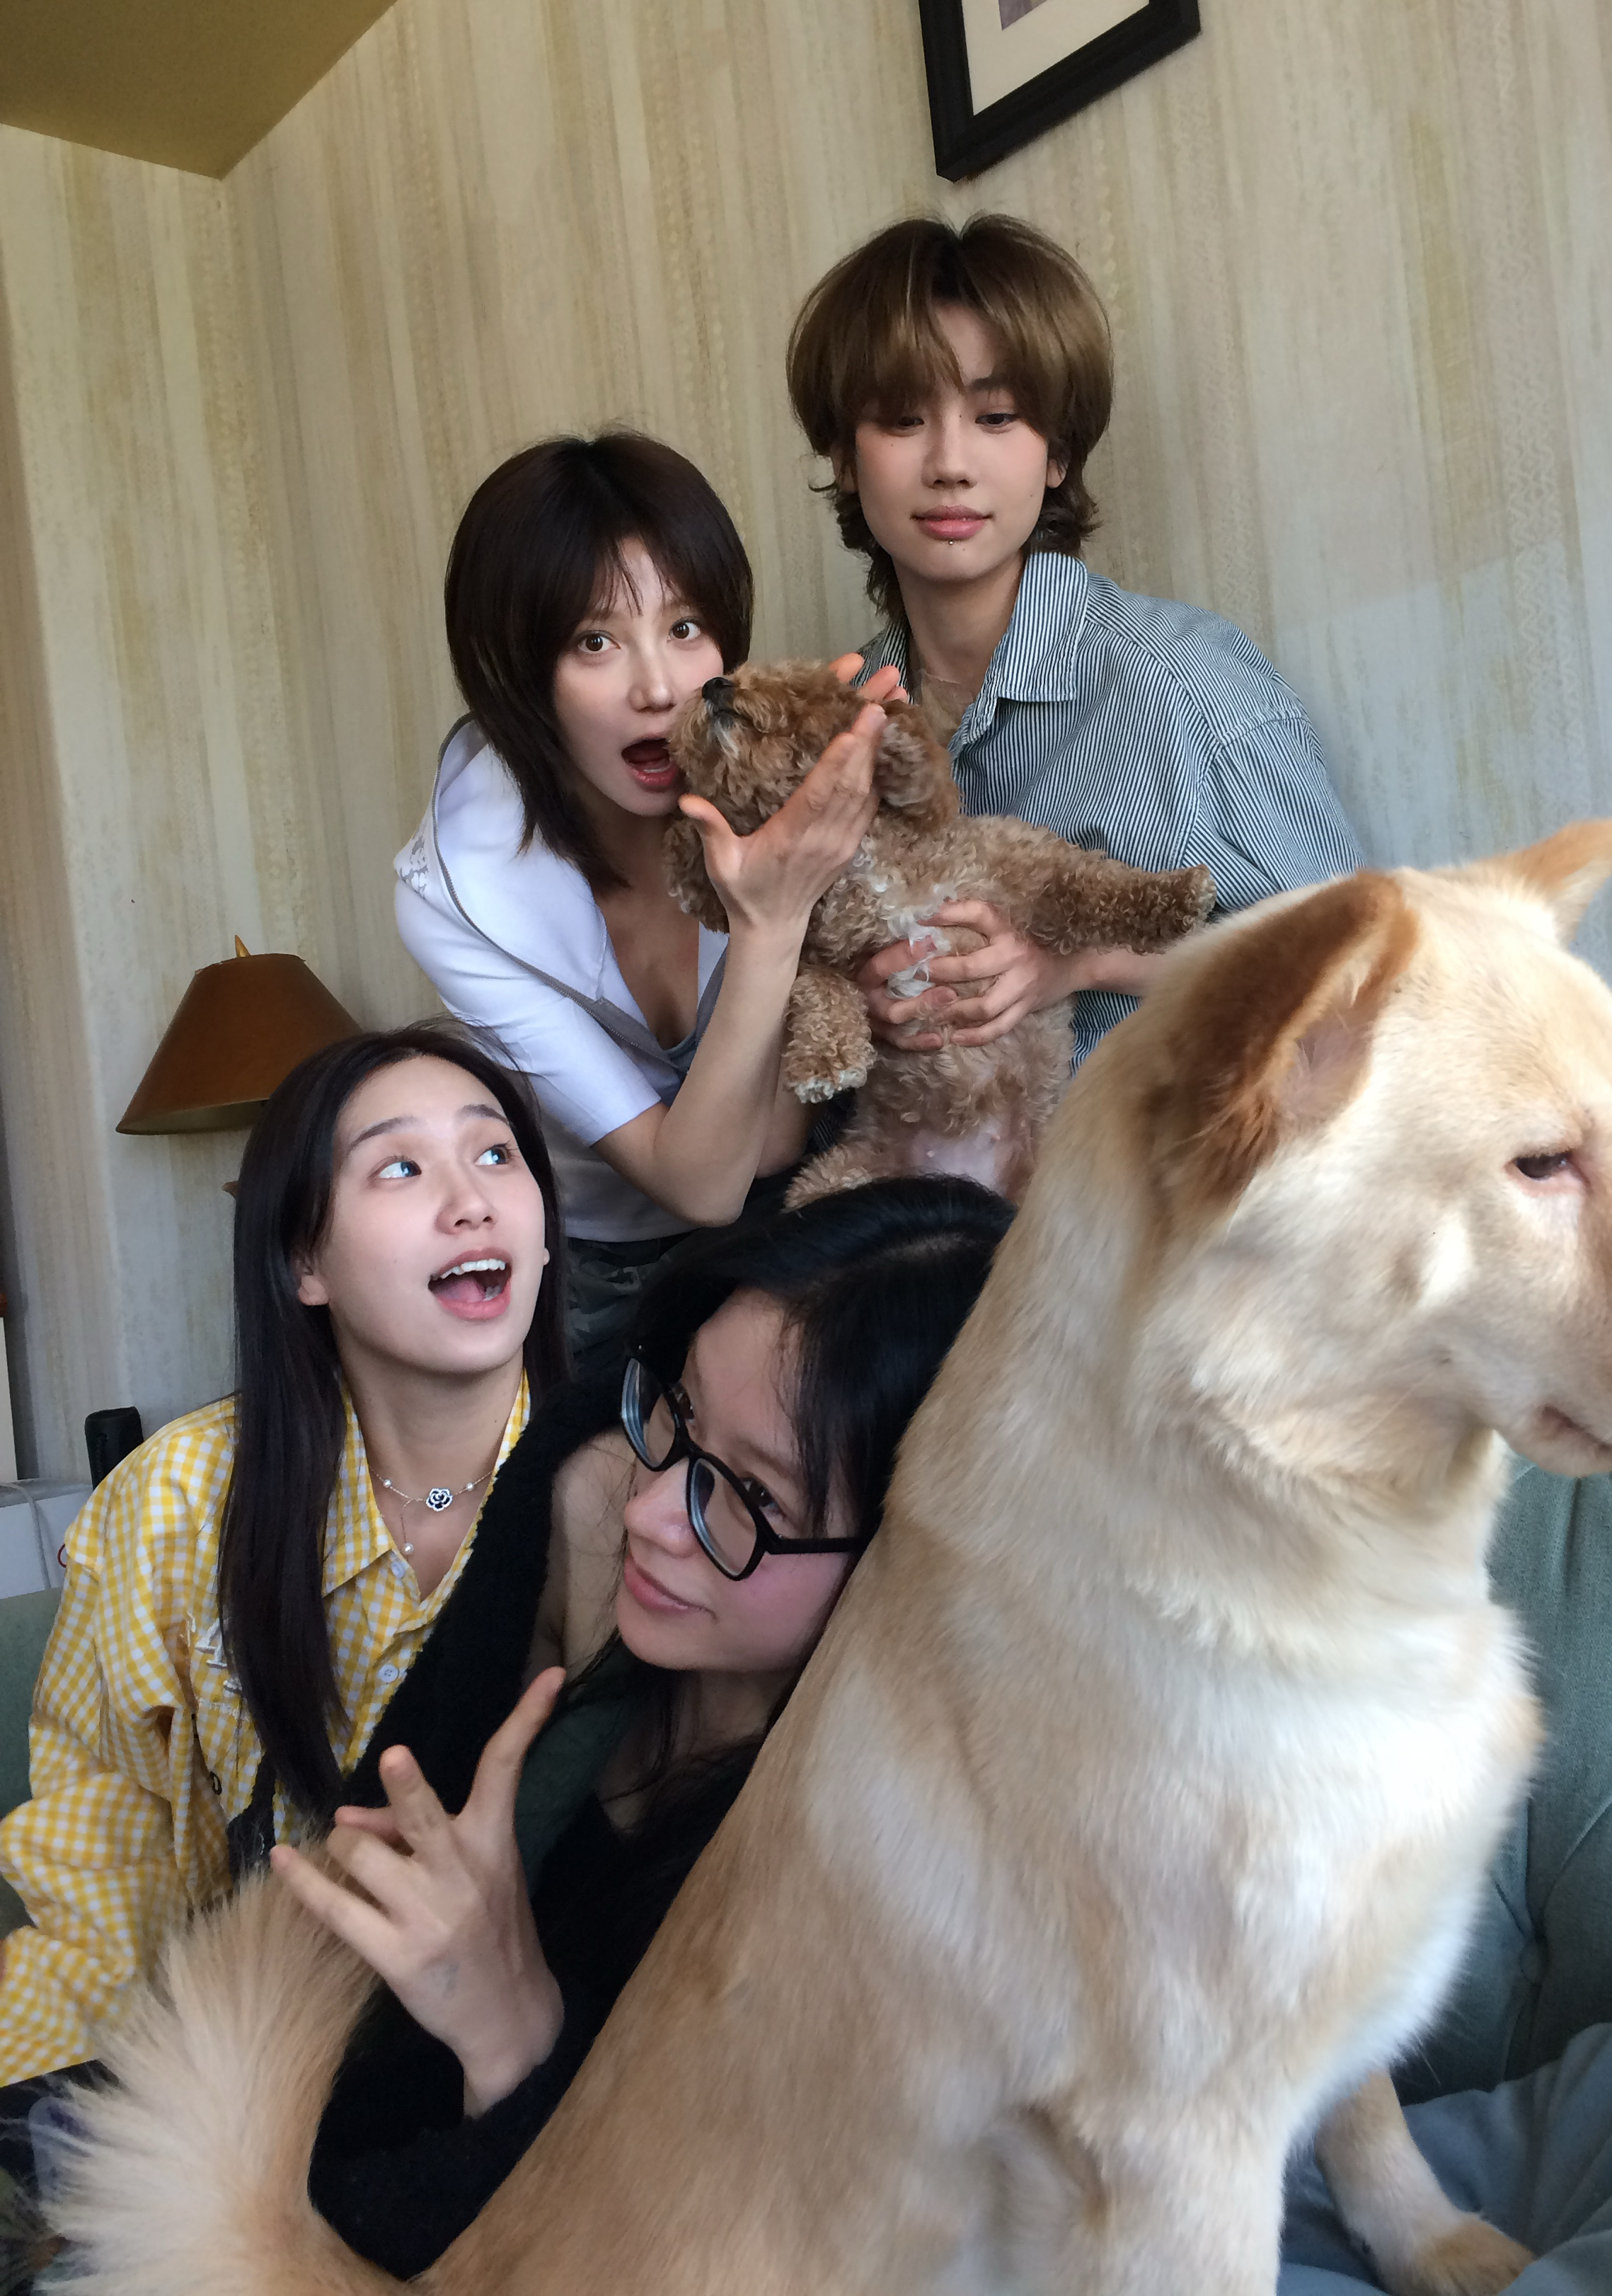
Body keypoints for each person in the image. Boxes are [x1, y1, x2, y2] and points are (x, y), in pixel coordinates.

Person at [261, 1177, 1014, 2279]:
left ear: (908, 1562)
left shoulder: (892, 1898)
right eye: (681, 1417)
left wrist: (515, 2036)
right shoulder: (583, 1503)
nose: (651, 1510)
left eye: (754, 1498)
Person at [0, 1026, 566, 2099]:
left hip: (511, 2070)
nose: (470, 1202)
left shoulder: (630, 1509)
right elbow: (106, 1851)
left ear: (543, 1236)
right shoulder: (178, 1499)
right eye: (399, 1168)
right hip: (222, 2060)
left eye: (496, 1153)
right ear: (306, 1264)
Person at [785, 214, 1364, 1064]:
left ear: (1056, 454)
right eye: (904, 419)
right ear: (844, 457)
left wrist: (1082, 963)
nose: (950, 463)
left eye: (997, 416)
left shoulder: (1187, 686)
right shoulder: (834, 723)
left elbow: (1361, 973)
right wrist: (861, 1000)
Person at [393, 431, 906, 1367]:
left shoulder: (770, 777)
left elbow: (772, 1147)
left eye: (685, 627)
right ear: (515, 670)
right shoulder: (456, 896)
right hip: (597, 1262)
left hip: (792, 1204)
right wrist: (772, 918)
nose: (660, 689)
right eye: (595, 642)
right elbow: (700, 1184)